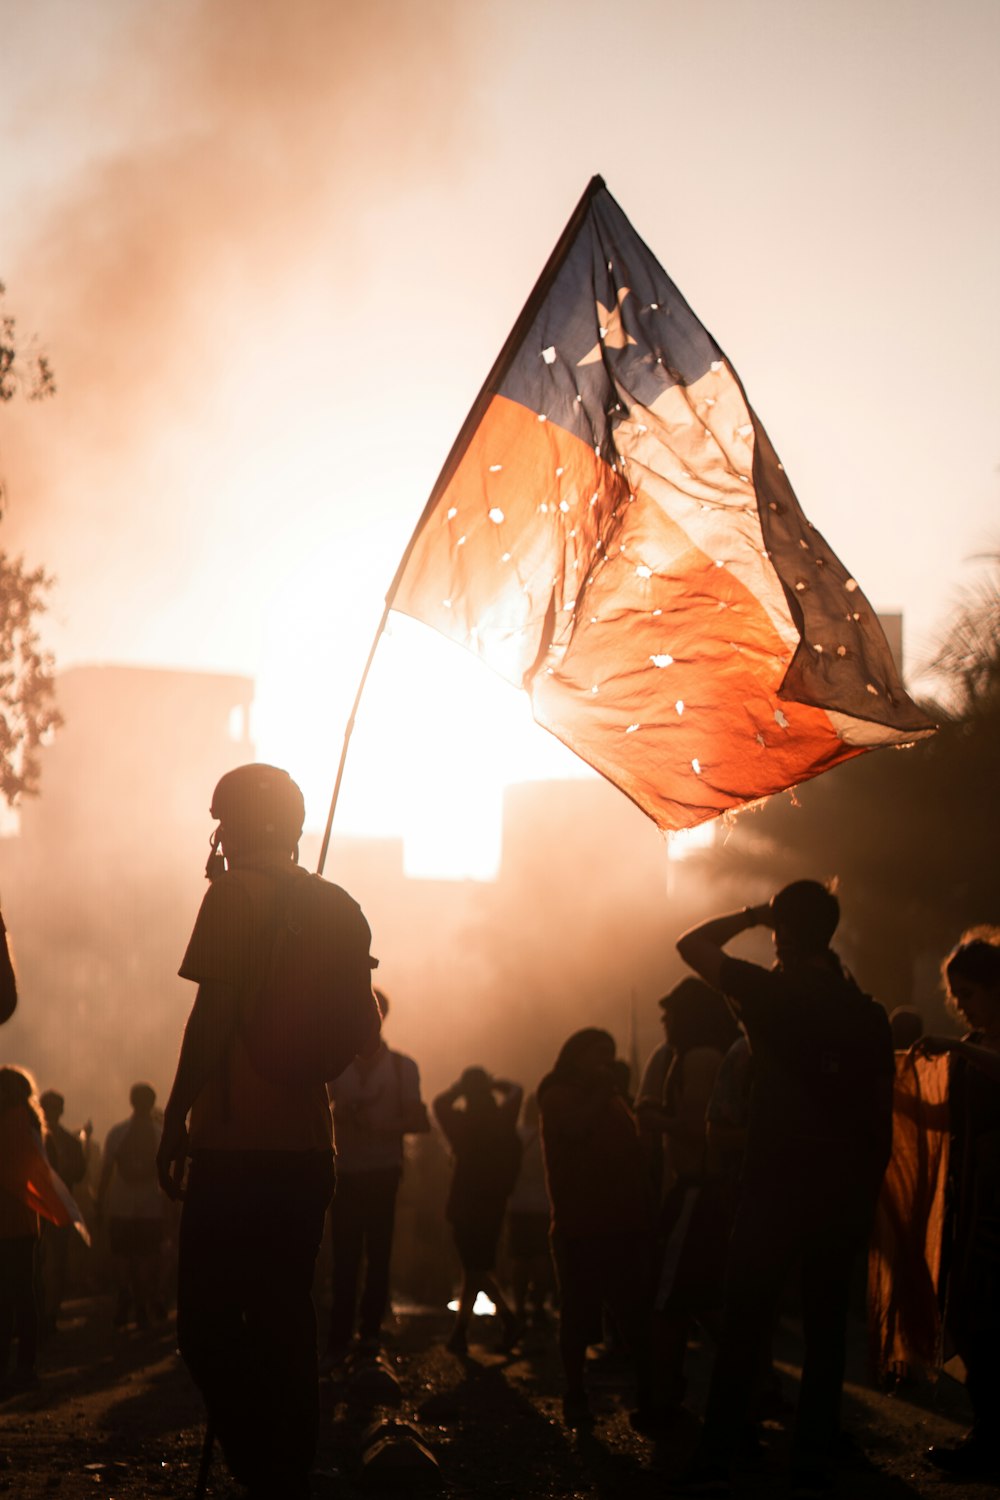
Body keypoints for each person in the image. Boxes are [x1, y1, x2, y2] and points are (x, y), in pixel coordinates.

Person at [156, 763, 379, 1500]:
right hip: (311, 1150)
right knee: (286, 1319)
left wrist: (175, 1116)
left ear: (232, 827)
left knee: (206, 1329)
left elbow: (212, 1017)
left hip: (233, 1147)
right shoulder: (338, 906)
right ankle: (288, 1472)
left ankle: (262, 1472)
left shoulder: (232, 897)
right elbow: (364, 1030)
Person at [674, 880, 893, 1496]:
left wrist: (752, 913)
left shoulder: (768, 993)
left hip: (773, 1185)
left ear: (782, 935)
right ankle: (811, 1459)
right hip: (843, 1191)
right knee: (826, 1332)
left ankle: (716, 1455)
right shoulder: (868, 1015)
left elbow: (690, 943)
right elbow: (881, 1117)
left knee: (745, 1325)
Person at [538, 1028, 656, 1429]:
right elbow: (574, 1129)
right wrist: (605, 1095)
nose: (604, 1063)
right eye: (597, 1054)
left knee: (634, 1315)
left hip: (623, 1222)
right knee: (577, 1317)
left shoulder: (612, 1099)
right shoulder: (556, 1096)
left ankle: (651, 1397)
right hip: (580, 1225)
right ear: (574, 1056)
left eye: (609, 1055)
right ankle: (575, 1394)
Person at [917, 928, 1000, 1480]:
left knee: (983, 1314)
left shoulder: (982, 1048)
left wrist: (958, 1048)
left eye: (968, 994)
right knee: (969, 1313)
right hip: (975, 1202)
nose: (962, 1007)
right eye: (957, 997)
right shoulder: (980, 1043)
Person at [324, 986, 429, 1366]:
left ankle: (367, 1334)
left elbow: (419, 1119)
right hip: (346, 1170)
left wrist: (375, 1126)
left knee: (377, 1254)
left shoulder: (403, 1067)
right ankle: (342, 1336)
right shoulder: (333, 1067)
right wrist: (341, 1115)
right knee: (347, 1256)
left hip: (383, 1170)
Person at [433, 1067, 522, 1355]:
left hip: (464, 1203)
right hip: (493, 1203)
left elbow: (439, 1103)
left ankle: (505, 1320)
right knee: (476, 1269)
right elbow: (517, 1090)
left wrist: (459, 1087)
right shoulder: (503, 1119)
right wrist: (496, 1082)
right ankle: (462, 1332)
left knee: (474, 1268)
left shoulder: (460, 1123)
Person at [96, 1083, 166, 1329]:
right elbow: (165, 1170)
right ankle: (142, 1303)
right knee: (146, 1257)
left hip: (121, 1205)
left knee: (122, 1256)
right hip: (149, 1206)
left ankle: (125, 1294)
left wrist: (98, 1201)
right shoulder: (159, 1134)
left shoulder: (117, 1133)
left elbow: (106, 1171)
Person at [0, 1068, 44, 1390]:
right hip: (26, 1220)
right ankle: (25, 1364)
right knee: (23, 1294)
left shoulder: (12, 1122)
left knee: (7, 1297)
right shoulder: (30, 1122)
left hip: (8, 1218)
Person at [38, 1090, 86, 1333]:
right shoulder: (68, 1141)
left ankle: (47, 1312)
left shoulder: (34, 1138)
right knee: (53, 1262)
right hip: (52, 1208)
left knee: (46, 1262)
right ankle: (47, 1312)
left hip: (45, 1209)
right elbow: (79, 1175)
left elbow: (78, 1173)